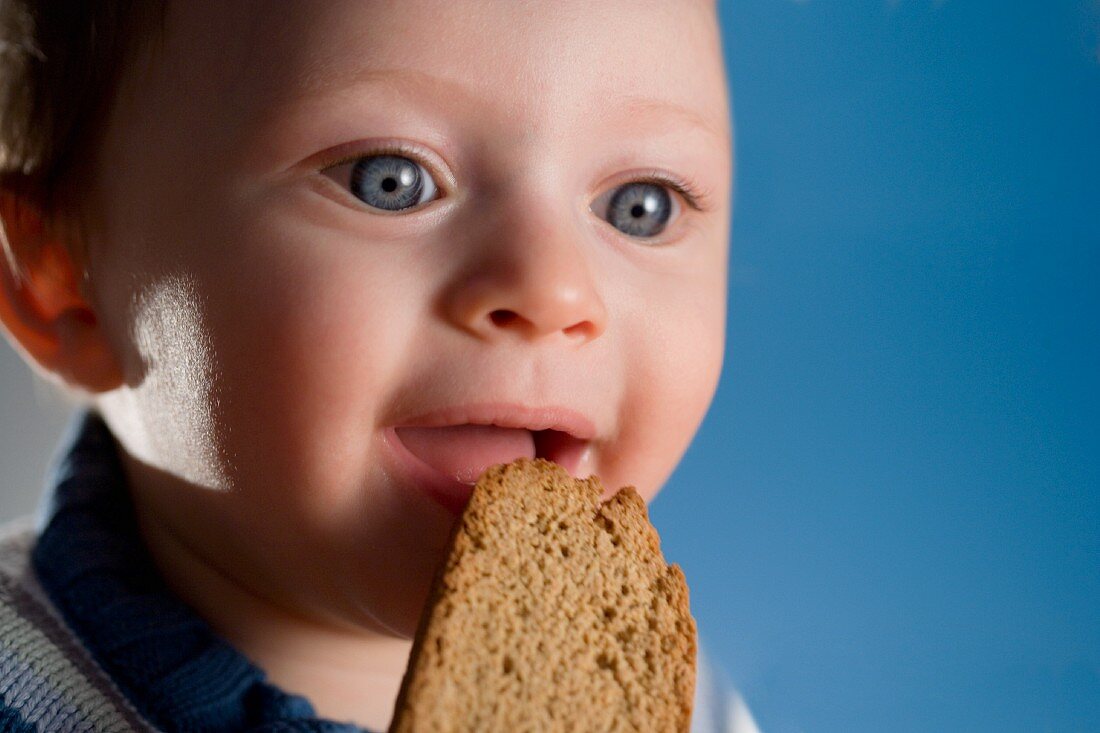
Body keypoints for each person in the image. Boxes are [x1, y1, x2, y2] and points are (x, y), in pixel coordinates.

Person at [0, 1, 759, 730]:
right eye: (389, 180)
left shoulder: (676, 708)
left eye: (641, 205)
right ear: (60, 279)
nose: (553, 290)